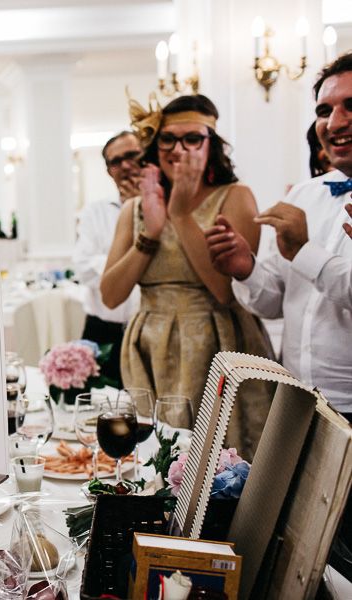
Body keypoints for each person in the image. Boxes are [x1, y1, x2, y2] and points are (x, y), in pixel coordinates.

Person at [100, 94, 274, 457]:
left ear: (211, 145)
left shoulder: (235, 197)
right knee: (157, 463)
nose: (179, 149)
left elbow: (225, 292)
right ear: (155, 144)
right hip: (150, 347)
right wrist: (149, 234)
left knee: (223, 466)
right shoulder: (133, 208)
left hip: (218, 343)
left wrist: (180, 215)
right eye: (168, 138)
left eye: (192, 138)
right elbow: (111, 295)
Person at [204, 52, 352, 419]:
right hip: (297, 402)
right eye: (323, 110)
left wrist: (304, 252)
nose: (335, 122)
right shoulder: (303, 195)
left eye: (351, 106)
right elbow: (273, 303)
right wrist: (245, 268)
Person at [73, 131, 142, 386]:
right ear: (109, 171)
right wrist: (132, 264)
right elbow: (83, 268)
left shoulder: (166, 209)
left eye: (132, 155)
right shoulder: (95, 213)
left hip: (148, 331)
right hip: (103, 330)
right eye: (116, 161)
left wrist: (107, 261)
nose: (125, 165)